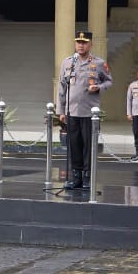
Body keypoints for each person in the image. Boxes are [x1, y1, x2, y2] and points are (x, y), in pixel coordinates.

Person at [56, 31, 113, 190]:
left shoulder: (99, 63)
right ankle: (76, 177)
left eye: (84, 42)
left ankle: (87, 177)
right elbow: (62, 87)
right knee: (74, 145)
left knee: (88, 146)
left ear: (90, 44)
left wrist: (98, 87)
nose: (81, 45)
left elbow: (109, 81)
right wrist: (61, 110)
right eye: (78, 42)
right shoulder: (68, 62)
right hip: (72, 111)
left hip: (89, 112)